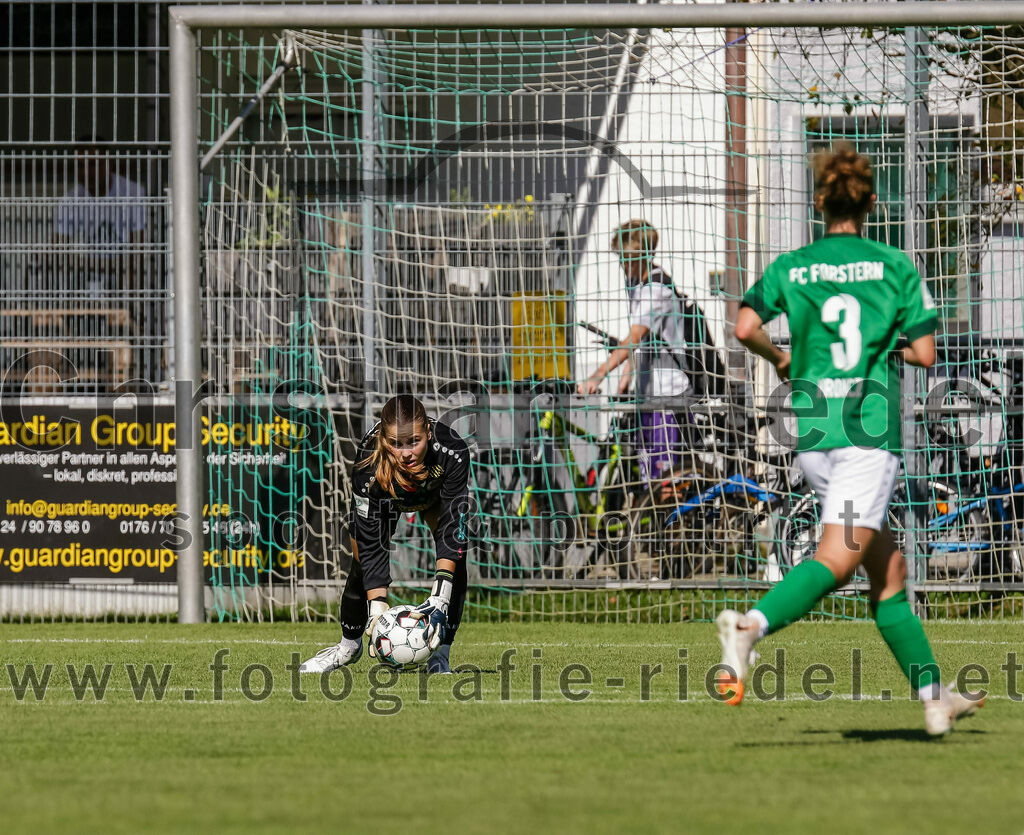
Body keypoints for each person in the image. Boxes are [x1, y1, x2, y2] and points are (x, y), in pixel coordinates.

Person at [717, 143, 982, 735]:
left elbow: (743, 326)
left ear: (820, 202)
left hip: (813, 432)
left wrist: (782, 359)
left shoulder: (795, 265)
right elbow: (924, 352)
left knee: (888, 573)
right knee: (835, 561)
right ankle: (750, 627)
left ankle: (935, 697)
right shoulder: (893, 266)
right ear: (870, 201)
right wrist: (886, 345)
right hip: (867, 430)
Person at [299, 394, 470, 675]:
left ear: (428, 431)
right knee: (360, 562)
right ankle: (347, 647)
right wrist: (377, 609)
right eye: (395, 444)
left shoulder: (452, 450)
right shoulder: (368, 464)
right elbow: (371, 545)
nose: (405, 453)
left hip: (433, 497)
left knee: (456, 558)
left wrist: (440, 598)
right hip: (388, 499)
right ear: (383, 441)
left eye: (414, 441)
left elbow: (453, 527)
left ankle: (440, 654)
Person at [578, 220, 726, 485]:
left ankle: (675, 524)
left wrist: (596, 376)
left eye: (624, 258)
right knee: (648, 475)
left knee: (666, 480)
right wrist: (626, 378)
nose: (622, 264)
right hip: (650, 393)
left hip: (670, 395)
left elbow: (634, 337)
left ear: (639, 256)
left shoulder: (656, 290)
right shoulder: (638, 286)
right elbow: (645, 340)